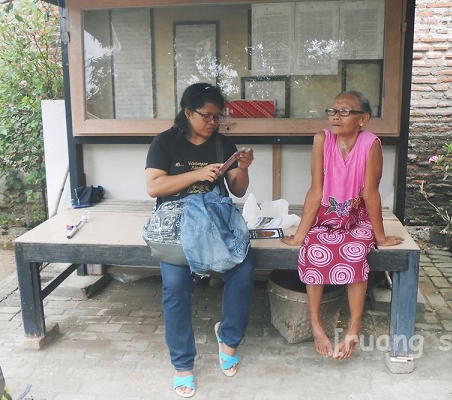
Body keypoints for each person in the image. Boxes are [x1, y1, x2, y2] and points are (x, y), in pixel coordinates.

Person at [145, 83, 255, 398]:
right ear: (187, 112)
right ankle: (182, 365)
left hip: (216, 221)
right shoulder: (165, 143)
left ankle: (229, 339)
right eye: (206, 115)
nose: (212, 122)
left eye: (217, 116)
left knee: (243, 270)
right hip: (177, 225)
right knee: (176, 287)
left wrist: (242, 169)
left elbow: (238, 190)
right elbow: (154, 187)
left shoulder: (222, 144)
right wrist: (196, 175)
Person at [281, 91, 404, 359]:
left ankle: (353, 327)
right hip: (327, 216)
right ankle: (316, 324)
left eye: (345, 111)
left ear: (364, 119)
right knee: (313, 249)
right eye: (332, 110)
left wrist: (380, 237)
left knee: (356, 252)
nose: (336, 116)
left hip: (357, 217)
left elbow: (371, 193)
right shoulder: (321, 139)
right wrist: (301, 235)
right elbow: (316, 189)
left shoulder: (371, 143)